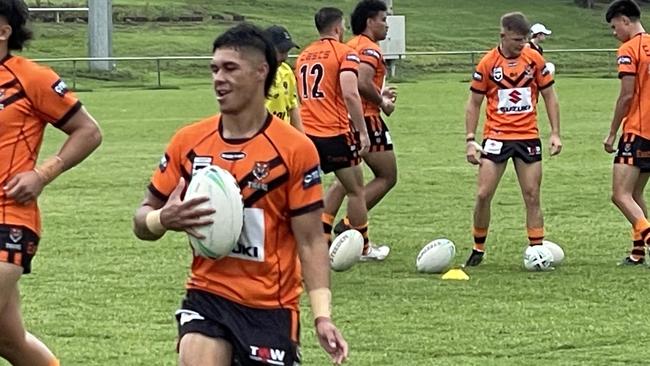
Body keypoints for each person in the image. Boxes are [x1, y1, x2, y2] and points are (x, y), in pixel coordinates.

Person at [132, 23, 348, 366]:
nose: (219, 78)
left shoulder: (295, 149)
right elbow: (141, 219)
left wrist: (322, 315)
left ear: (261, 71)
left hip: (270, 307)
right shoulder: (188, 142)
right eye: (214, 69)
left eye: (230, 68)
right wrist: (161, 219)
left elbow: (310, 241)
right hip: (208, 295)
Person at [0, 1, 103, 365]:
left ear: (4, 30)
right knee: (10, 342)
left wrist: (43, 173)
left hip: (9, 216)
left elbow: (88, 131)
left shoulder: (30, 78)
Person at [464, 12, 562, 267]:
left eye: (525, 39)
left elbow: (550, 96)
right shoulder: (487, 63)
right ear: (503, 36)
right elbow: (474, 103)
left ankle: (537, 250)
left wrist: (554, 133)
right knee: (484, 194)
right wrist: (470, 138)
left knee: (532, 195)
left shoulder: (534, 59)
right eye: (518, 39)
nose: (522, 44)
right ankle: (478, 247)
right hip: (496, 137)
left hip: (527, 135)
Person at [294, 7, 376, 256]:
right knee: (356, 190)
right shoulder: (345, 53)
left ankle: (319, 241)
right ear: (338, 28)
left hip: (306, 134)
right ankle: (363, 248)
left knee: (308, 192)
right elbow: (351, 93)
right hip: (334, 132)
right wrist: (362, 132)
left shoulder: (303, 56)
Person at [326, 0, 396, 261]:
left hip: (342, 119)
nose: (386, 25)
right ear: (370, 21)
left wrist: (378, 92)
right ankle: (352, 227)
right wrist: (383, 102)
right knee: (387, 176)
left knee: (344, 180)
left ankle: (320, 233)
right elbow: (362, 82)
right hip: (366, 118)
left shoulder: (348, 46)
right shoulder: (369, 48)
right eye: (383, 19)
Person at [603, 0, 650, 265]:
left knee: (620, 195)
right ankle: (637, 253)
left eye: (614, 26)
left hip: (637, 129)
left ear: (624, 20)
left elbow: (627, 95)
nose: (614, 32)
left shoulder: (628, 49)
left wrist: (612, 133)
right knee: (635, 194)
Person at [265, 25, 304, 132]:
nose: (285, 57)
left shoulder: (286, 71)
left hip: (282, 138)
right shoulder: (252, 75)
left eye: (287, 51)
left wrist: (303, 141)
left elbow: (293, 108)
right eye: (281, 51)